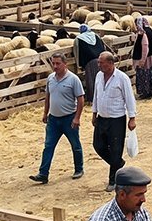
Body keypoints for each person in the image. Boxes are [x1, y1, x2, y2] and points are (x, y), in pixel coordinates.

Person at [30, 53, 85, 184]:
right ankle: (43, 173)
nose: (55, 66)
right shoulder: (50, 78)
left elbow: (80, 99)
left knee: (75, 144)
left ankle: (79, 168)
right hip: (53, 119)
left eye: (58, 63)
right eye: (53, 63)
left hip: (69, 118)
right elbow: (48, 96)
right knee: (48, 146)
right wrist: (45, 113)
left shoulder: (73, 79)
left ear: (65, 64)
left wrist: (77, 118)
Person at [91, 51, 136, 192]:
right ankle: (118, 164)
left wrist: (132, 117)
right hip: (102, 117)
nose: (99, 65)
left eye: (101, 62)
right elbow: (96, 95)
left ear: (110, 63)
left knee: (116, 149)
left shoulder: (121, 78)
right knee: (98, 145)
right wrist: (94, 113)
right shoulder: (99, 76)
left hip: (117, 119)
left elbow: (129, 98)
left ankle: (113, 180)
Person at [73, 24, 106, 102]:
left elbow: (76, 52)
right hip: (101, 60)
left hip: (89, 62)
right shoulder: (96, 36)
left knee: (91, 80)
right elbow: (103, 46)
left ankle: (92, 99)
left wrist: (79, 65)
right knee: (102, 78)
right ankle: (102, 96)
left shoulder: (78, 39)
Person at [132, 17, 152, 100]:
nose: (136, 26)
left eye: (137, 24)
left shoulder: (143, 33)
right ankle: (151, 91)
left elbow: (145, 47)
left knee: (144, 74)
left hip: (146, 58)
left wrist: (142, 60)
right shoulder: (150, 29)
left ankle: (145, 92)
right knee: (151, 73)